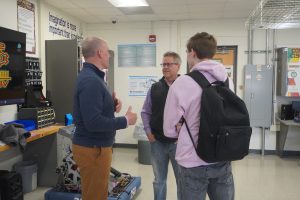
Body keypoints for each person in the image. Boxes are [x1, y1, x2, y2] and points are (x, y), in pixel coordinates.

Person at [163, 32, 235, 200]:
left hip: (192, 160)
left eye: (187, 53)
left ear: (192, 52)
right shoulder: (227, 80)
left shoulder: (183, 83)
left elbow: (168, 130)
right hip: (222, 155)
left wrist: (180, 130)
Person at [72, 36, 137, 200]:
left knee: (96, 193)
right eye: (107, 52)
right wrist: (126, 120)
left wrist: (111, 103)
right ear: (100, 53)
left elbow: (94, 109)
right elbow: (93, 123)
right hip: (93, 149)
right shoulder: (91, 80)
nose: (109, 55)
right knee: (95, 196)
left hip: (96, 147)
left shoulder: (95, 78)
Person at [141, 51, 181, 200]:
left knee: (182, 181)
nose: (165, 67)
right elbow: (145, 112)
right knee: (159, 181)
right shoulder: (155, 88)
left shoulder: (186, 87)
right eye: (163, 64)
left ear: (178, 66)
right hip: (157, 142)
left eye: (168, 64)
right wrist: (148, 132)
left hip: (179, 144)